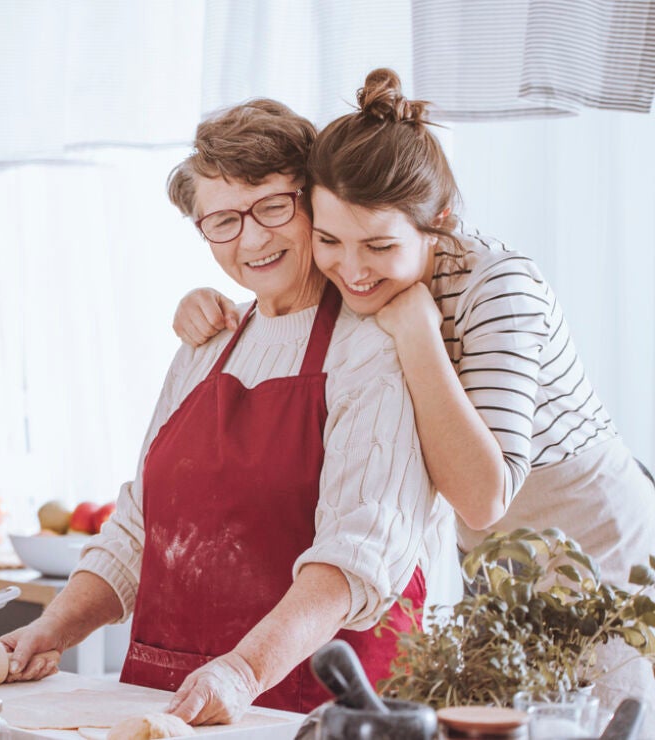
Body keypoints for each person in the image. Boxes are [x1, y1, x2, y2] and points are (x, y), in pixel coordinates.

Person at [172, 69, 655, 713]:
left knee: (603, 722)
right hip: (489, 562)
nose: (351, 268)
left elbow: (484, 495)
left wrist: (418, 332)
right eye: (330, 240)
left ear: (440, 221)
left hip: (594, 543)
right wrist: (211, 305)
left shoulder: (500, 288)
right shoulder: (363, 279)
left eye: (378, 245)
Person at [0, 99, 450, 724]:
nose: (253, 239)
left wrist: (244, 671)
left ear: (314, 203)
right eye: (223, 221)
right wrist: (51, 630)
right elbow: (139, 528)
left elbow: (357, 557)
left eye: (273, 207)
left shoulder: (374, 349)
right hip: (170, 703)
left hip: (310, 710)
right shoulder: (205, 343)